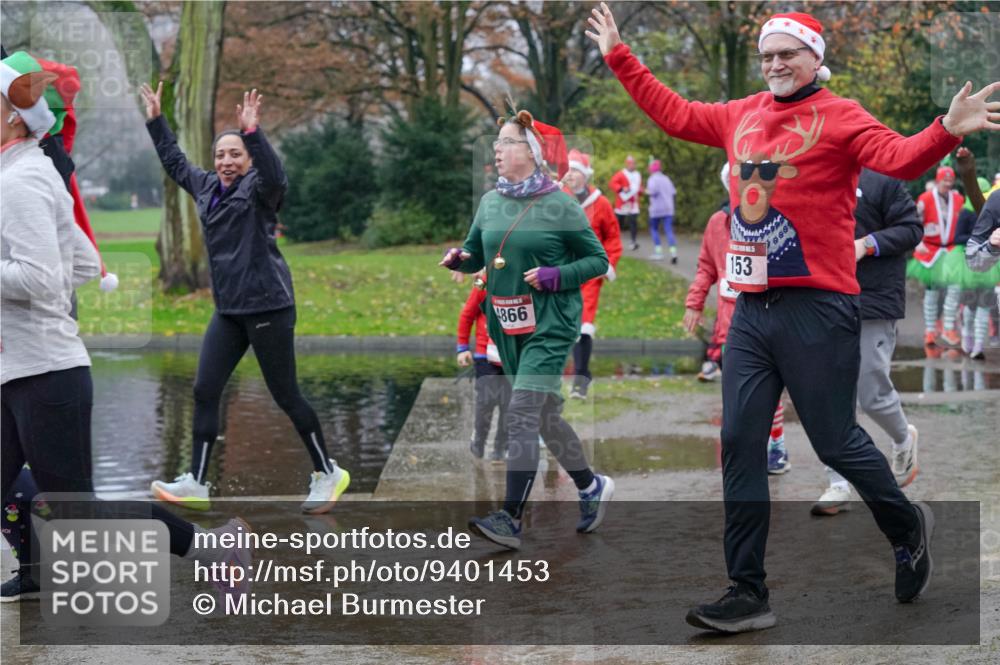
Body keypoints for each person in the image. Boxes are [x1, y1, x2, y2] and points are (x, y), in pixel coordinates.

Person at [589, 3, 999, 632]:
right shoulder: (741, 113)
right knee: (738, 441)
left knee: (836, 441)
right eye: (768, 55)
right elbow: (674, 112)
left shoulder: (841, 115)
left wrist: (946, 127)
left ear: (815, 58)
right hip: (752, 310)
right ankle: (746, 590)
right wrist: (621, 56)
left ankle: (907, 523)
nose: (776, 63)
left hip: (820, 306)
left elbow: (900, 158)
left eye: (788, 53)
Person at [0, 55, 247, 602]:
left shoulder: (19, 182)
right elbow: (85, 265)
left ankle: (211, 547)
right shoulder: (27, 173)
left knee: (80, 510)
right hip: (24, 366)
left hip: (45, 373)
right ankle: (41, 569)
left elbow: (42, 278)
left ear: (15, 115)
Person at [140, 82, 349, 513]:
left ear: (248, 159)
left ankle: (328, 473)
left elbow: (276, 175)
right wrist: (156, 121)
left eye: (235, 154)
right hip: (230, 310)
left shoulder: (260, 189)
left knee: (285, 394)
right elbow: (176, 163)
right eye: (221, 154)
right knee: (204, 388)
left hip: (269, 305)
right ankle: (197, 483)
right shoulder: (206, 187)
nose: (226, 161)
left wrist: (253, 132)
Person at [439, 108, 613, 549]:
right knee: (543, 417)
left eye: (507, 142)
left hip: (551, 326)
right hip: (506, 324)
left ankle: (509, 518)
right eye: (496, 143)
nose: (497, 150)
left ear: (532, 152)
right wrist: (461, 259)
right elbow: (479, 252)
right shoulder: (490, 201)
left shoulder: (560, 204)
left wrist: (558, 275)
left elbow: (598, 261)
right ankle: (591, 487)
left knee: (519, 413)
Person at [812, 168, 923, 515]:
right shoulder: (815, 173)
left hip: (872, 300)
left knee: (869, 391)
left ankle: (903, 437)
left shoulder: (882, 180)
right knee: (826, 394)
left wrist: (867, 244)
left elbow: (911, 229)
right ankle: (838, 483)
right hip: (822, 298)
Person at [683, 164, 789, 474]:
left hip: (771, 317)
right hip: (732, 324)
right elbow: (706, 266)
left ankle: (777, 446)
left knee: (770, 389)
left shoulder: (774, 219)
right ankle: (746, 453)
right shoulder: (718, 223)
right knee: (737, 393)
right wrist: (695, 303)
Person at [563, 149, 623, 399]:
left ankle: (581, 380)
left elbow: (613, 238)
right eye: (569, 169)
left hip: (589, 275)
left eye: (577, 170)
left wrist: (607, 265)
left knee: (583, 326)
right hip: (562, 274)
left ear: (585, 175)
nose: (572, 175)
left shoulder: (601, 203)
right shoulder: (558, 198)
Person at [908, 166, 965, 353]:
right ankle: (930, 330)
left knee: (954, 288)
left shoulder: (958, 199)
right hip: (930, 250)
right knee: (931, 291)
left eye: (950, 181)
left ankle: (948, 328)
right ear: (938, 180)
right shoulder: (924, 199)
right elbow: (914, 222)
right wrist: (918, 243)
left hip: (951, 250)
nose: (947, 184)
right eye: (944, 181)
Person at [456, 270, 510, 462]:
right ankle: (479, 439)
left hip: (513, 357)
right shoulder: (483, 283)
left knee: (509, 404)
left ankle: (501, 447)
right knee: (487, 400)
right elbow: (467, 314)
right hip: (485, 354)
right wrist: (462, 347)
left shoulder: (526, 281)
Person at [646, 159, 678, 263]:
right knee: (668, 230)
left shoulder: (652, 179)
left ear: (651, 169)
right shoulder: (666, 178)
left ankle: (658, 252)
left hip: (656, 210)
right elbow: (673, 191)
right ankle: (673, 252)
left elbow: (653, 192)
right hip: (668, 209)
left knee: (654, 229)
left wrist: (644, 191)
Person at [610, 155, 642, 250]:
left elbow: (639, 187)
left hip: (633, 203)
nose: (632, 165)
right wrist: (622, 189)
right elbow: (612, 183)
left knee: (633, 223)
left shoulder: (638, 174)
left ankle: (633, 241)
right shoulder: (621, 174)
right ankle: (615, 242)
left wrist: (641, 191)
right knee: (619, 223)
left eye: (633, 163)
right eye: (630, 164)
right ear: (627, 164)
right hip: (622, 203)